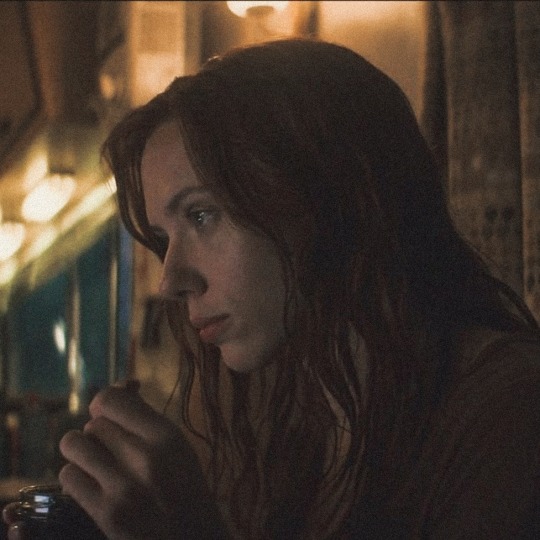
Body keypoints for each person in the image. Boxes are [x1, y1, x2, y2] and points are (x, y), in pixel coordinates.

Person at [4, 38, 540, 539]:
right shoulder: (304, 424)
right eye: (163, 239)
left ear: (328, 192)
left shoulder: (509, 413)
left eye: (202, 214)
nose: (170, 280)